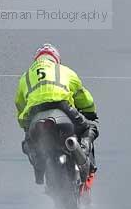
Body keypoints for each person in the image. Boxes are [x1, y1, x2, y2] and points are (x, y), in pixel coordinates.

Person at [14, 44, 99, 184]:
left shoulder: (25, 77)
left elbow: (20, 104)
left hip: (35, 113)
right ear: (56, 59)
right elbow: (83, 97)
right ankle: (82, 152)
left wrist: (25, 125)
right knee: (89, 128)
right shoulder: (64, 71)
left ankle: (38, 165)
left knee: (28, 142)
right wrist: (90, 111)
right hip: (62, 106)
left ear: (37, 60)